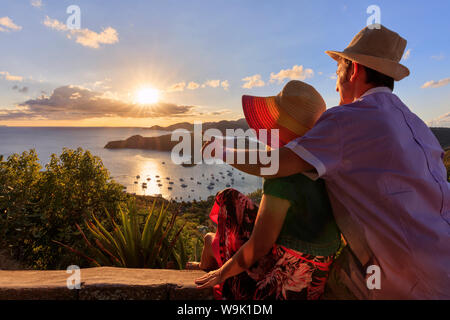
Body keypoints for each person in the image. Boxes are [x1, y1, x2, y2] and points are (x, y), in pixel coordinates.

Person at [201, 25, 450, 299]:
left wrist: (220, 150)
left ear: (353, 69)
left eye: (337, 72)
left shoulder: (348, 119)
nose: (335, 84)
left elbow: (275, 163)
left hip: (402, 278)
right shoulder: (416, 124)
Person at [195, 80, 341, 300]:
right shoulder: (323, 163)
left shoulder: (282, 178)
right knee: (233, 199)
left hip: (286, 281)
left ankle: (212, 243)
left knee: (227, 200)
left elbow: (259, 246)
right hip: (318, 277)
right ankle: (213, 243)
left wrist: (221, 273)